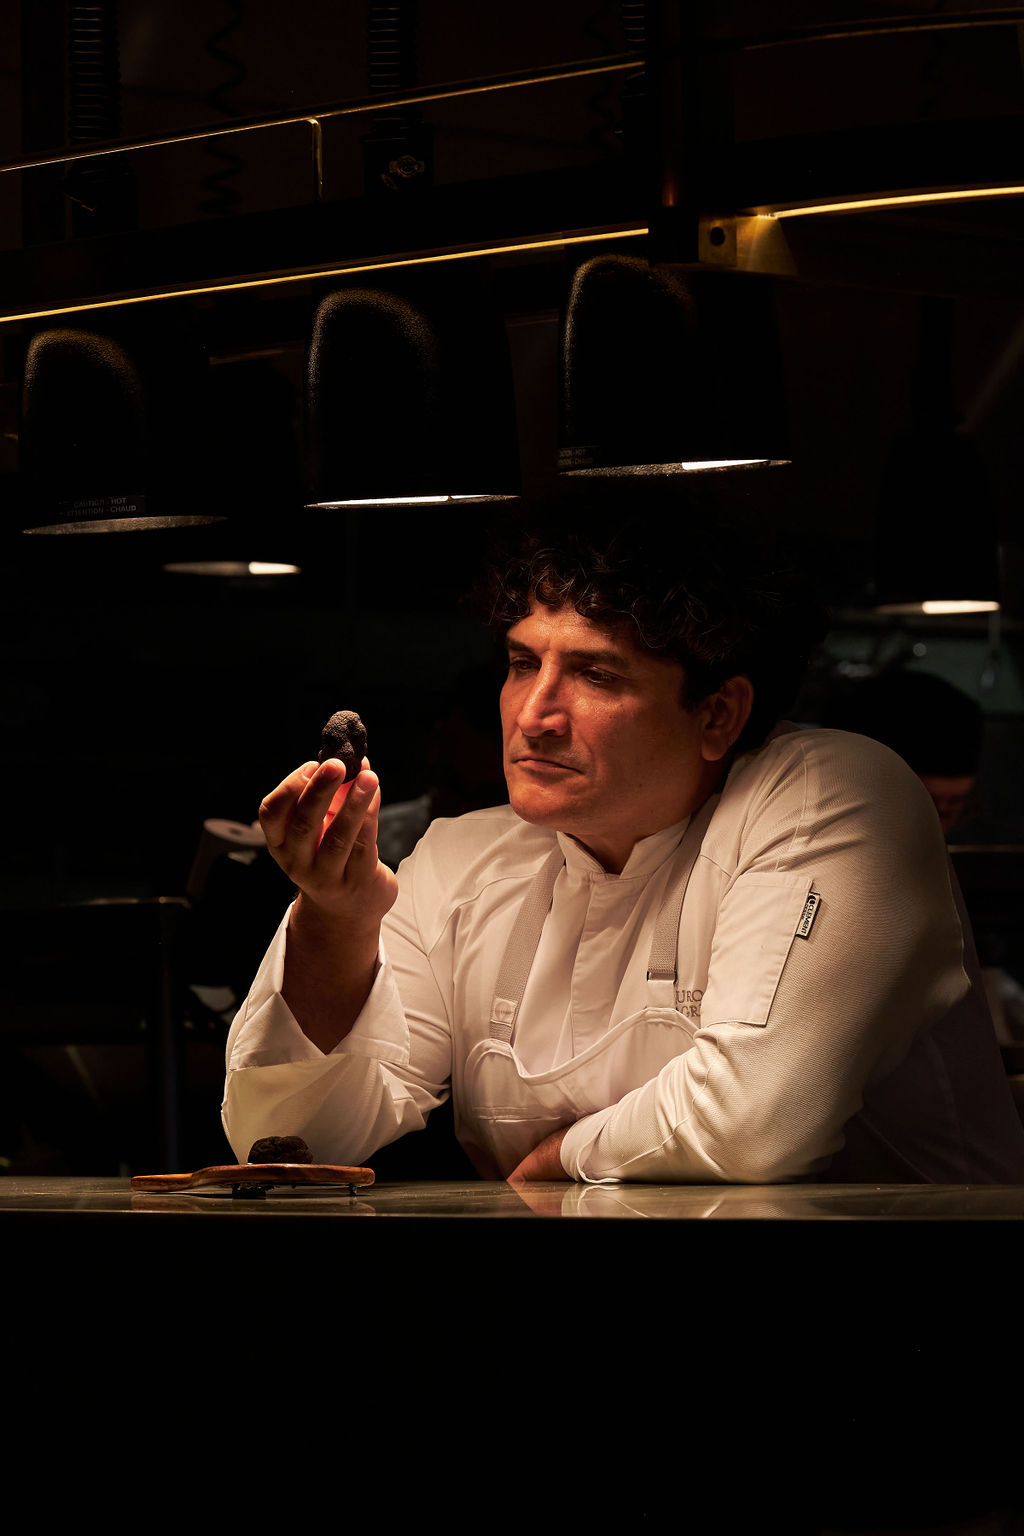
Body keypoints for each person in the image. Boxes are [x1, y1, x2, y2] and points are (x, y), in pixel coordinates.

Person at [223, 479, 1024, 1185]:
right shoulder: (462, 861)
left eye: (596, 674)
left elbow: (751, 1119)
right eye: (521, 662)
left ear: (719, 713)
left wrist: (559, 1159)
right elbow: (292, 1141)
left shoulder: (830, 797)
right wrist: (337, 917)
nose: (534, 715)